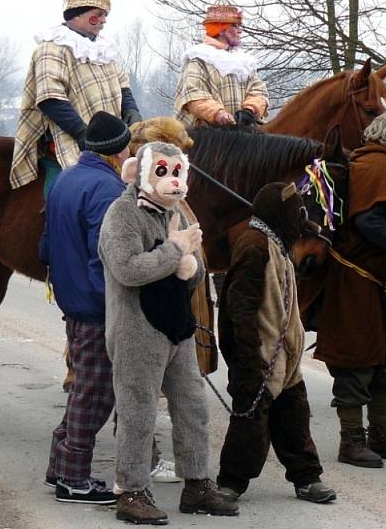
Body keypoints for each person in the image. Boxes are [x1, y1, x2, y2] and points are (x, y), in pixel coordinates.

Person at [99, 141, 238, 524]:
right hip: (135, 329)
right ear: (143, 173)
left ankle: (196, 484)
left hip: (177, 328)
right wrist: (176, 251)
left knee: (193, 406)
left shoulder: (172, 212)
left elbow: (192, 274)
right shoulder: (122, 214)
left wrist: (188, 264)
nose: (173, 180)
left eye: (177, 172)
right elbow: (128, 270)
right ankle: (131, 490)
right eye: (163, 172)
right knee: (138, 412)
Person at [312, 105, 386, 468]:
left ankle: (381, 435)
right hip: (356, 282)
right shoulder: (377, 164)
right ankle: (352, 441)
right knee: (356, 362)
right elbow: (369, 222)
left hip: (378, 284)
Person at [217, 182, 336, 508]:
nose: (299, 220)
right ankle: (230, 482)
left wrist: (306, 227)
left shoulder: (278, 241)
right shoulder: (254, 246)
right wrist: (247, 361)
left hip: (287, 358)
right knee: (249, 422)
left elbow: (298, 230)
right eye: (296, 214)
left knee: (295, 418)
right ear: (281, 215)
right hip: (259, 356)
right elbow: (239, 308)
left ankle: (307, 477)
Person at [40, 111, 131, 505]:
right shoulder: (107, 189)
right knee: (95, 395)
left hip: (71, 301)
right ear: (118, 150)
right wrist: (111, 305)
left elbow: (45, 246)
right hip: (97, 307)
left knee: (84, 389)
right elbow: (104, 257)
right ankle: (75, 479)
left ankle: (60, 467)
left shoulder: (66, 179)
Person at [9, 0, 141, 195]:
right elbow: (50, 99)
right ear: (77, 14)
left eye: (105, 15)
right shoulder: (51, 47)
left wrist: (132, 111)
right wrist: (85, 134)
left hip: (114, 138)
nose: (103, 20)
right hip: (70, 138)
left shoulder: (104, 49)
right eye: (97, 14)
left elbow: (123, 85)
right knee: (80, 189)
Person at [173, 0, 268, 131]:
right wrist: (219, 115)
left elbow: (258, 90)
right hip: (205, 139)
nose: (240, 31)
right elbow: (193, 95)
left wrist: (249, 110)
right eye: (235, 26)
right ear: (224, 30)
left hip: (243, 136)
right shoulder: (199, 58)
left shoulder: (244, 62)